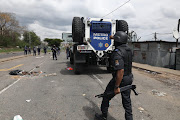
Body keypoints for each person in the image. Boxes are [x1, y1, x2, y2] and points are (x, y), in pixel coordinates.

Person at [95, 31, 133, 120]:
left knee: (106, 97)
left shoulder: (118, 52)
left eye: (115, 39)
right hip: (129, 78)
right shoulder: (128, 49)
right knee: (127, 102)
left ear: (117, 41)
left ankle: (103, 116)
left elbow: (120, 70)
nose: (113, 41)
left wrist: (116, 86)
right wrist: (111, 36)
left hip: (120, 79)